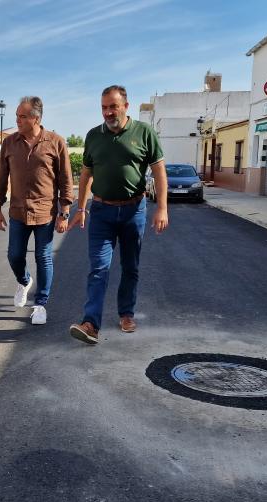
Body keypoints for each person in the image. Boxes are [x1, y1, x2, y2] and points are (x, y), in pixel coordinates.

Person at [68, 85, 169, 345]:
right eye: (104, 107)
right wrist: (81, 208)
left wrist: (163, 208)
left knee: (130, 266)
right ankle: (90, 324)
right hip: (101, 211)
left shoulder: (144, 133)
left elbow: (159, 172)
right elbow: (86, 175)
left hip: (134, 210)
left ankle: (126, 313)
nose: (108, 112)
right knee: (99, 268)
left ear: (126, 105)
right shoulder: (93, 136)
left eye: (113, 106)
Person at [0, 96, 73, 325]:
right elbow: (1, 177)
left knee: (43, 257)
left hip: (45, 212)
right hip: (17, 211)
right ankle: (24, 280)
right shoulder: (9, 143)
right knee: (14, 255)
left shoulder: (56, 142)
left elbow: (66, 179)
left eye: (22, 116)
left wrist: (64, 211)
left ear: (36, 118)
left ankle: (41, 304)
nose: (17, 120)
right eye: (17, 115)